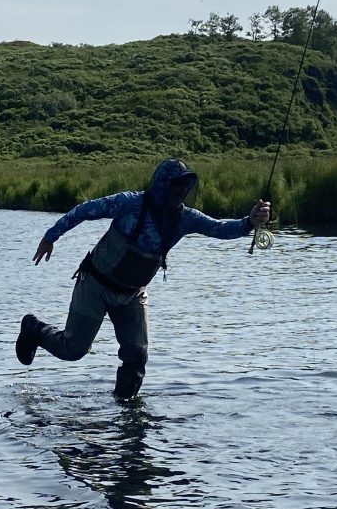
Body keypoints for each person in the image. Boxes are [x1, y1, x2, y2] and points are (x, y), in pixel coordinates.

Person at [15, 158, 271, 400]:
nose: (180, 191)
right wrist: (51, 236)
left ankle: (126, 409)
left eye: (185, 186)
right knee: (73, 350)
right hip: (95, 284)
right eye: (176, 185)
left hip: (133, 295)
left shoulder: (185, 218)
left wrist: (250, 221)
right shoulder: (129, 203)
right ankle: (34, 329)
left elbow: (221, 229)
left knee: (137, 355)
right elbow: (84, 211)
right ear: (162, 185)